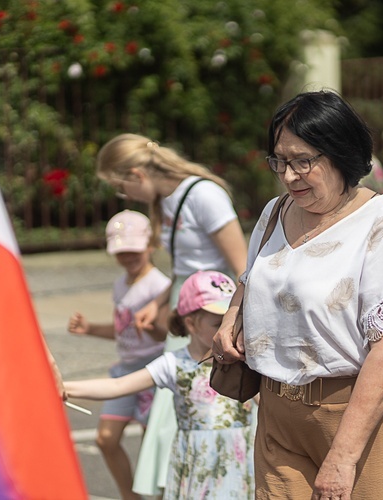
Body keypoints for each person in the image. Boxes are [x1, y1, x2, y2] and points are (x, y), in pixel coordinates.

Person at [212, 90, 383, 499]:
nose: (288, 175)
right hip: (279, 413)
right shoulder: (273, 213)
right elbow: (252, 279)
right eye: (280, 160)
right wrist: (231, 318)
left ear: (342, 155)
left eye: (303, 161)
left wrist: (343, 458)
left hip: (361, 417)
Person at [96, 133, 248, 496]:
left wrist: (230, 324)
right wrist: (162, 299)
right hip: (186, 316)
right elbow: (185, 266)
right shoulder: (169, 200)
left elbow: (242, 267)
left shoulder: (203, 196)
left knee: (202, 408)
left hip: (210, 316)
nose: (125, 197)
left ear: (136, 174)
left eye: (121, 188)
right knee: (180, 410)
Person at [65, 270, 256, 499]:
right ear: (191, 324)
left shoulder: (244, 359)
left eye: (233, 320)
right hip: (197, 471)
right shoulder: (174, 363)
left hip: (239, 465)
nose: (229, 329)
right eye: (218, 322)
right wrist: (63, 387)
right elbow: (117, 387)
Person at [67, 209, 170, 500]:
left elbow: (166, 334)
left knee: (155, 443)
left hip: (153, 369)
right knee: (106, 439)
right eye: (121, 252)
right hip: (125, 369)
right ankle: (130, 496)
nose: (127, 257)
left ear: (150, 245)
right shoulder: (121, 284)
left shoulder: (159, 285)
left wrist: (151, 327)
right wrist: (89, 329)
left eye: (133, 250)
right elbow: (122, 329)